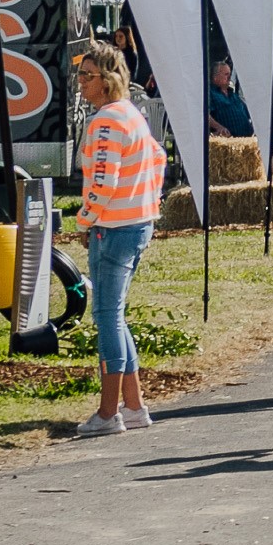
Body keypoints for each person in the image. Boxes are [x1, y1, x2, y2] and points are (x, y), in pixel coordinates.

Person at [69, 41, 167, 436]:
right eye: (80, 75)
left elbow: (103, 181)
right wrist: (146, 199)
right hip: (136, 222)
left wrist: (84, 219)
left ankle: (109, 413)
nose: (80, 83)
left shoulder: (106, 121)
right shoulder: (132, 114)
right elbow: (158, 158)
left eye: (87, 76)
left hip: (113, 227)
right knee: (116, 314)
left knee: (107, 317)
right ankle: (134, 406)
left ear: (107, 81)